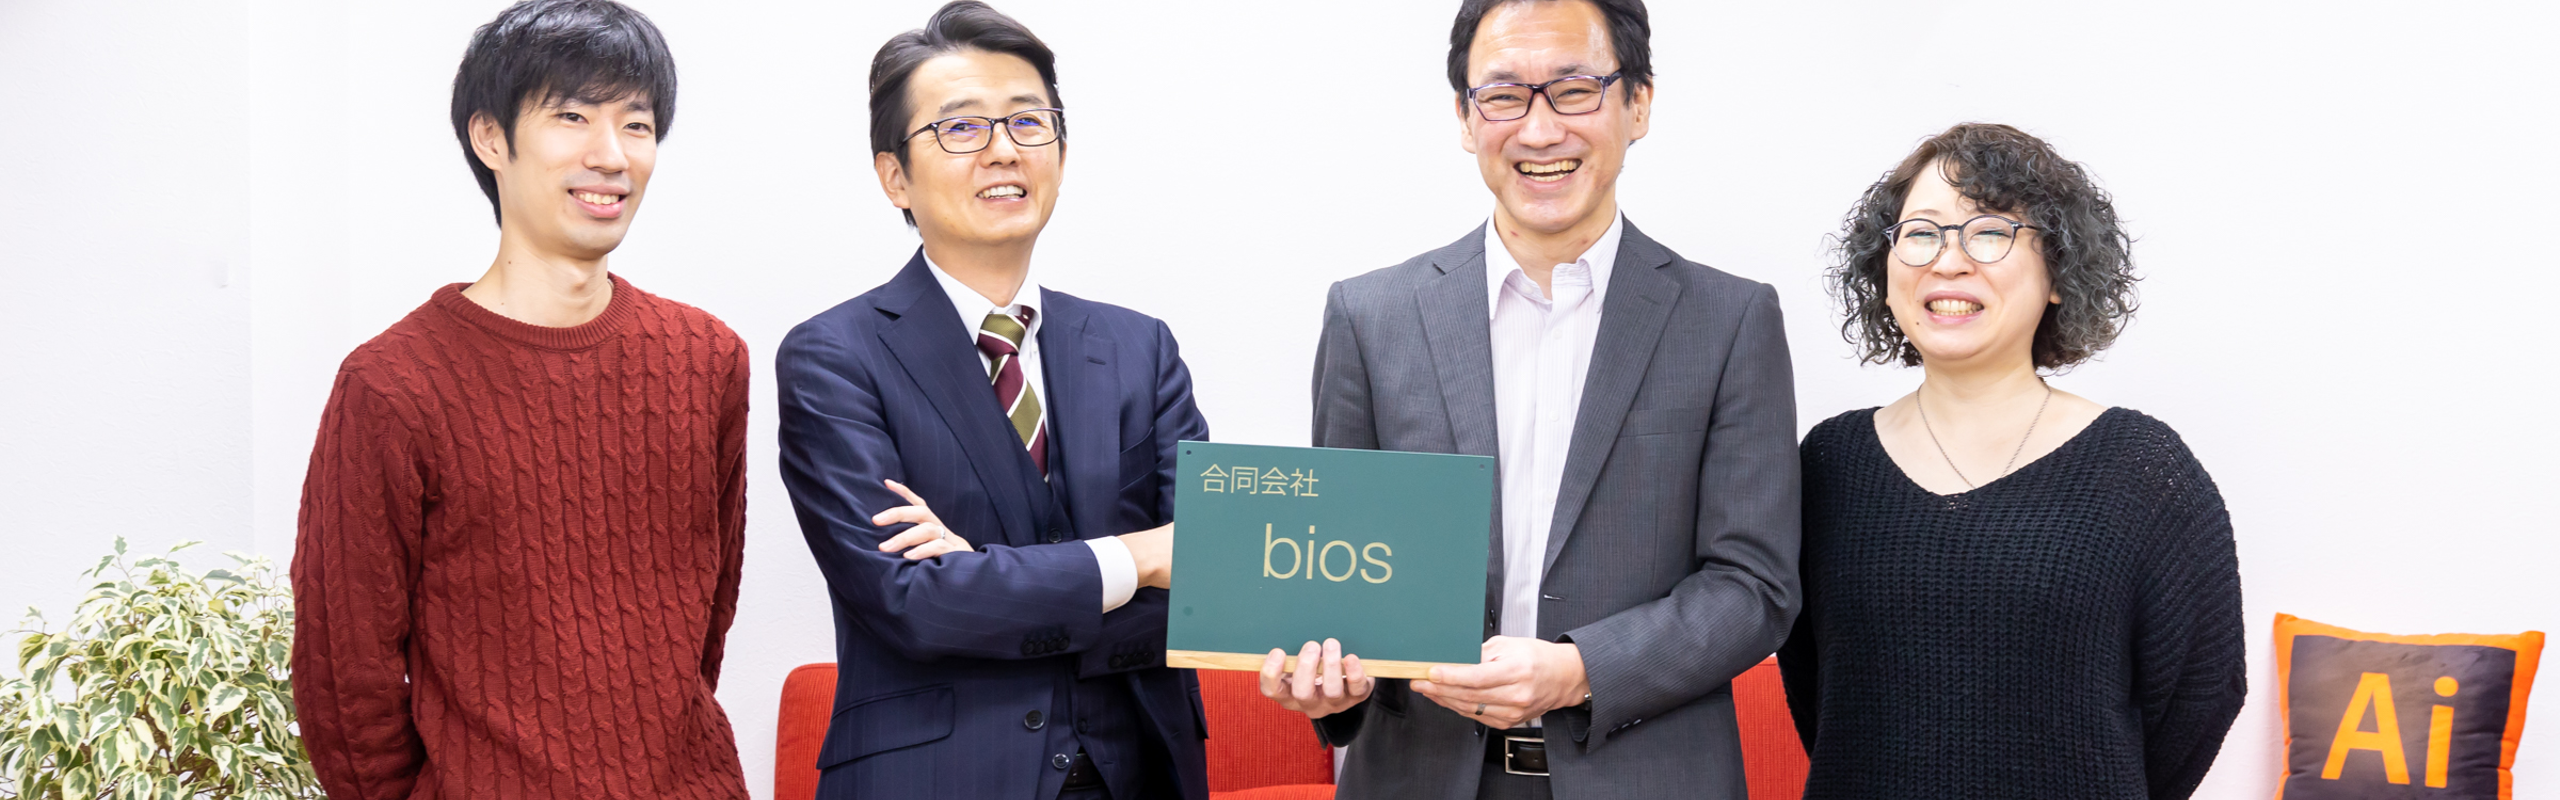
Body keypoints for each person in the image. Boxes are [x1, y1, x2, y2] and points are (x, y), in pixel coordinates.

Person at [1263, 1, 1802, 797]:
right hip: (1418, 776)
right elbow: (1340, 573)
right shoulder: (1370, 316)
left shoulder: (1729, 320)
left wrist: (1581, 670)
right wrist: (1329, 677)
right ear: (1464, 116)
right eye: (1505, 96)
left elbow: (1753, 585)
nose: (1540, 131)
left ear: (1639, 103)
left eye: (1575, 90)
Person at [289, 1, 751, 798]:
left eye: (636, 124)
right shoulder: (391, 386)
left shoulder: (707, 358)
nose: (611, 155)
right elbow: (343, 672)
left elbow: (704, 617)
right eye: (572, 116)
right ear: (490, 137)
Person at [773, 3, 1209, 798]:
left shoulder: (1140, 348)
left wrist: (980, 574)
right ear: (894, 176)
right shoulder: (834, 357)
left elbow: (1209, 581)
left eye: (1027, 122)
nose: (1004, 149)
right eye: (962, 128)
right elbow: (910, 603)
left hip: (1139, 770)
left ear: (1062, 153)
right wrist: (1140, 559)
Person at [1777, 122, 2247, 799]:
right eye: (1921, 233)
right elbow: (1813, 688)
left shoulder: (2143, 470)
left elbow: (2200, 697)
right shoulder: (1829, 463)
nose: (1948, 261)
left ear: (2059, 272)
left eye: (1990, 231)